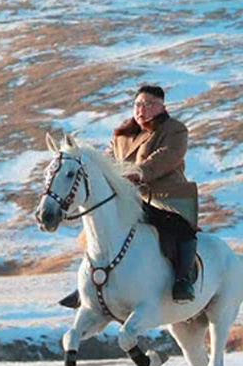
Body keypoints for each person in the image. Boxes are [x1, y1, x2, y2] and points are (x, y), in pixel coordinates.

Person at [59, 84, 199, 309]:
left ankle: (183, 281)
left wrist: (140, 172)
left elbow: (166, 156)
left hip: (163, 196)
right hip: (127, 197)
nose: (141, 109)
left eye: (148, 104)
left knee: (180, 229)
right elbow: (107, 160)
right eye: (137, 104)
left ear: (161, 107)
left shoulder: (174, 130)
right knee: (97, 230)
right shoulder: (122, 134)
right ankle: (89, 285)